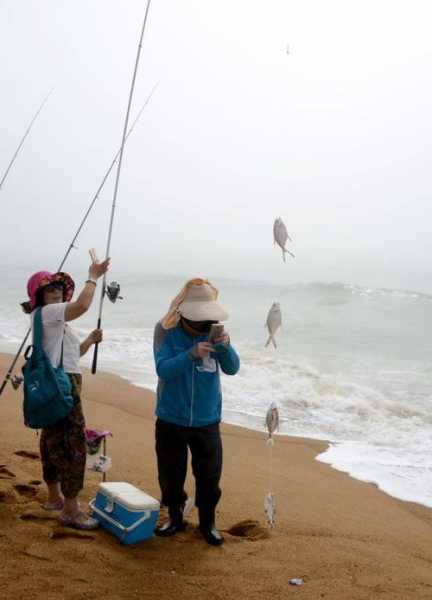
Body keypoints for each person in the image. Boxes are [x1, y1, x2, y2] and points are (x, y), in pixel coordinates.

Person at [25, 251, 110, 530]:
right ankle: (71, 509)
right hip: (64, 387)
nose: (57, 292)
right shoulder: (49, 313)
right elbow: (83, 305)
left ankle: (55, 498)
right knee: (73, 443)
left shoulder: (53, 320)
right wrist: (93, 276)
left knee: (51, 439)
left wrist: (89, 341)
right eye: (50, 289)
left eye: (60, 288)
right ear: (39, 296)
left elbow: (70, 357)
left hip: (58, 381)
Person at [153, 278, 240, 546]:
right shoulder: (166, 329)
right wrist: (190, 354)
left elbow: (233, 368)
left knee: (210, 475)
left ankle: (207, 522)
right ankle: (175, 517)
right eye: (199, 319)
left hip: (207, 419)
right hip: (171, 417)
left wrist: (225, 348)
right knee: (171, 474)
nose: (204, 324)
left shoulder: (215, 332)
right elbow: (162, 369)